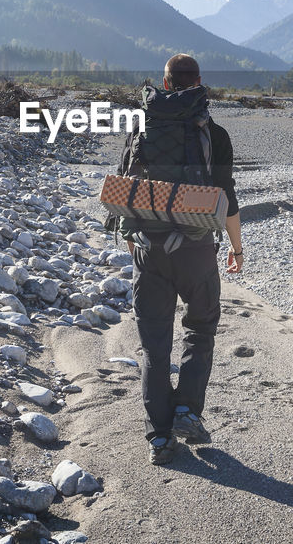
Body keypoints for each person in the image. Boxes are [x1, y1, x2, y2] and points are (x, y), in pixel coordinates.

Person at [117, 53, 243, 465]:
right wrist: (236, 249)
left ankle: (159, 438)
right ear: (199, 82)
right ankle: (187, 410)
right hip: (196, 250)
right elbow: (227, 200)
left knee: (155, 346)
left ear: (166, 84)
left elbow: (123, 188)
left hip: (149, 250)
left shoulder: (141, 128)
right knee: (200, 329)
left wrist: (131, 238)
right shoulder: (214, 133)